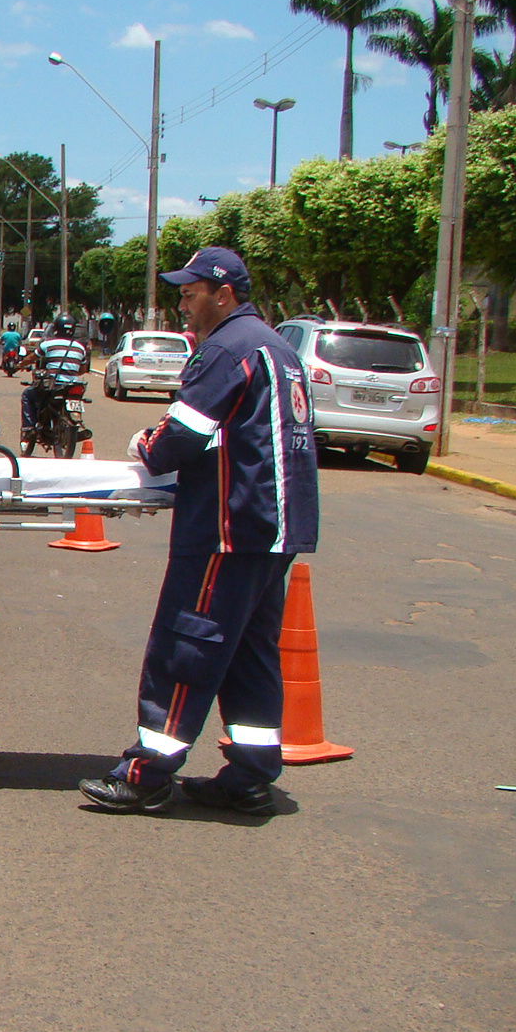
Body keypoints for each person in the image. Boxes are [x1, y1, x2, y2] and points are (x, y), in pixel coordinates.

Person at [79, 247, 319, 817]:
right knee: (248, 653)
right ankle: (252, 774)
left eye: (190, 295)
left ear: (223, 294)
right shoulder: (277, 346)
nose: (182, 305)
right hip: (277, 527)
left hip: (229, 528)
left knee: (188, 645)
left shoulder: (226, 349)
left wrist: (145, 445)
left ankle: (148, 773)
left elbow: (178, 439)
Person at [20, 319, 90, 451]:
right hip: (72, 386)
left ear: (56, 329)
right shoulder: (81, 348)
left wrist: (20, 365)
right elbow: (82, 369)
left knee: (27, 395)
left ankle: (29, 429)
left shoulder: (48, 344)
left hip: (53, 385)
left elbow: (31, 358)